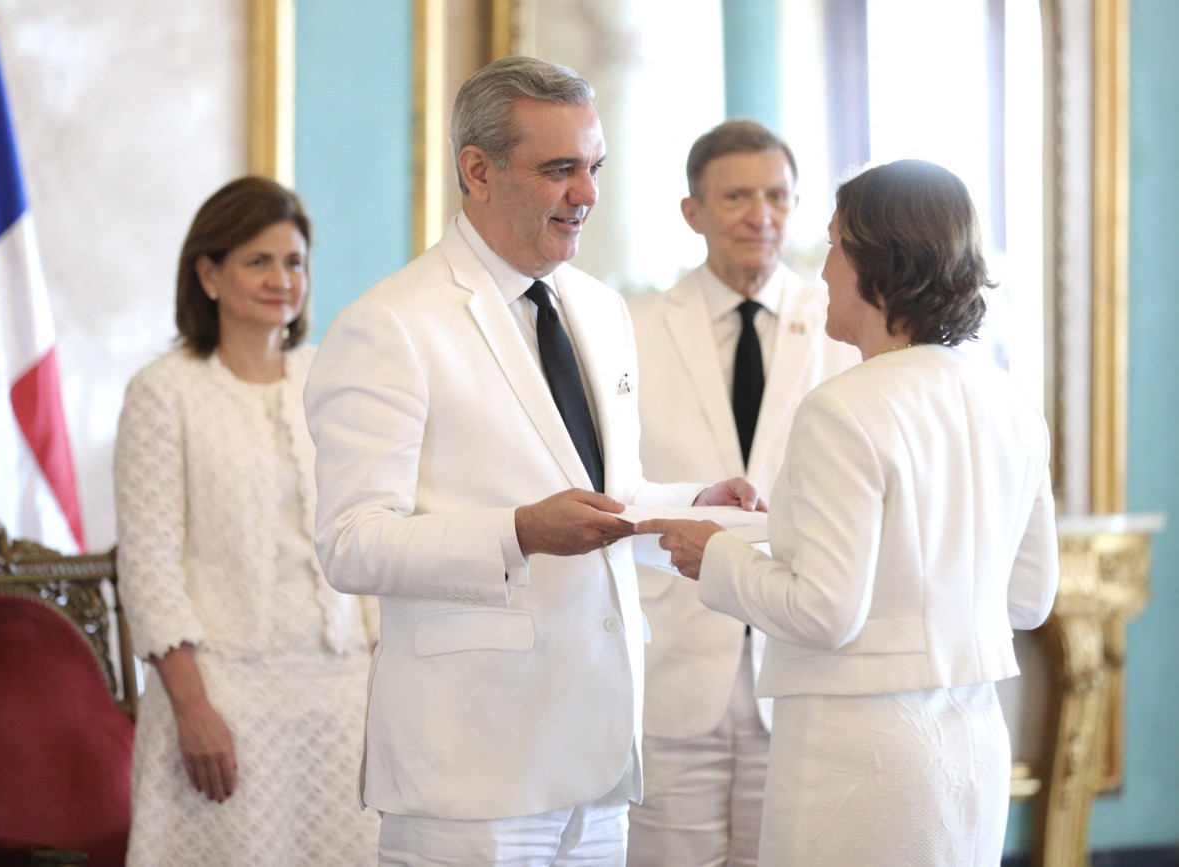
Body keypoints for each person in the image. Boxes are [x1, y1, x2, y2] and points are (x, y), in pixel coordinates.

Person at [303, 56, 757, 865]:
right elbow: (351, 542)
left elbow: (606, 497)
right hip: (471, 766)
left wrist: (691, 503)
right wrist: (516, 532)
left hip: (601, 755)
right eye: (559, 169)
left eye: (594, 168)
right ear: (477, 171)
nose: (586, 193)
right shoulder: (391, 324)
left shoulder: (603, 309)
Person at [637, 159, 1059, 865]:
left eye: (833, 243)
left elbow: (824, 612)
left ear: (876, 263)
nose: (823, 268)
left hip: (859, 756)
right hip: (973, 748)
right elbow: (1029, 598)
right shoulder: (1011, 402)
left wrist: (715, 554)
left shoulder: (842, 407)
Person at [113, 176, 379, 865]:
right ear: (208, 274)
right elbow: (148, 566)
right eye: (257, 261)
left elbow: (369, 528)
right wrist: (192, 708)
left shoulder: (329, 378)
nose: (281, 280)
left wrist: (388, 677)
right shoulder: (163, 392)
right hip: (222, 695)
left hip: (342, 693)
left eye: (294, 262)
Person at [627, 120, 859, 866]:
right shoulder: (632, 329)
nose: (761, 215)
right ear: (693, 211)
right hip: (673, 654)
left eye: (777, 196)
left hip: (799, 663)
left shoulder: (846, 329)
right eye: (736, 197)